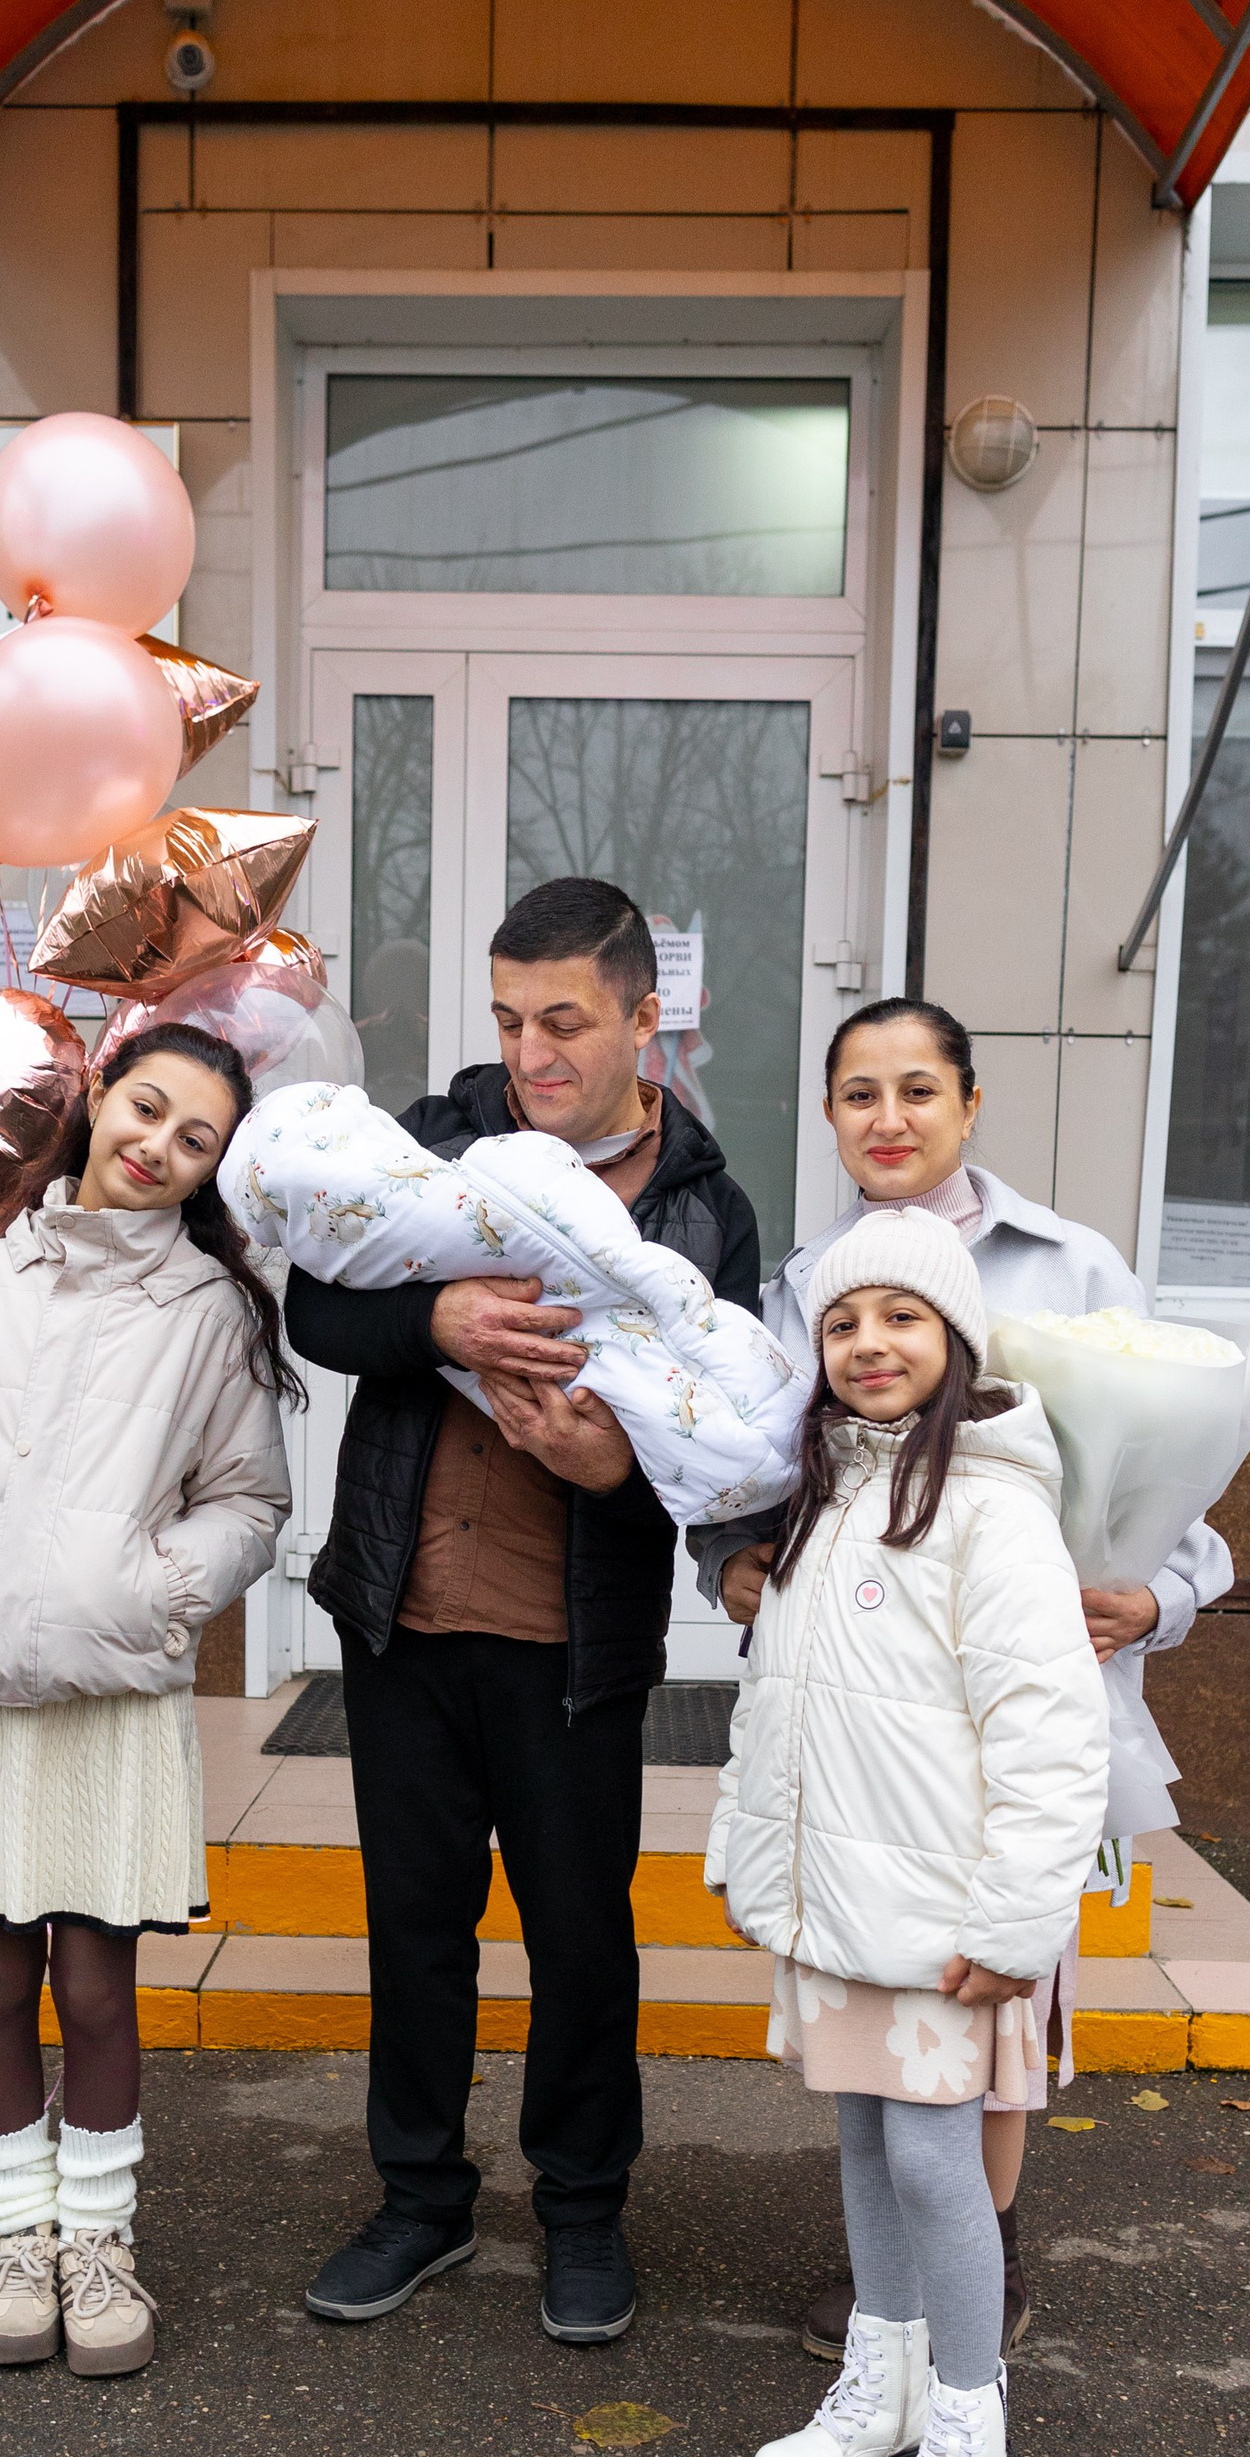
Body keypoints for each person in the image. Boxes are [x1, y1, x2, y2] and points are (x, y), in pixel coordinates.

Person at [696, 997, 1231, 2355]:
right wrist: (731, 1565)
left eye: (919, 1090)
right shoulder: (801, 1287)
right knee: (892, 2006)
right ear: (830, 1115)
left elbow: (1178, 1499)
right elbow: (754, 1474)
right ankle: (905, 2282)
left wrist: (1150, 1600)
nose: (889, 1119)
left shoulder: (1072, 1266)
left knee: (1001, 2000)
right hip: (870, 1732)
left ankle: (980, 2264)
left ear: (971, 1102)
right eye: (858, 1094)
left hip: (1024, 1703)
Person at [288, 876, 760, 2343]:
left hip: (574, 1644)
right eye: (507, 1020)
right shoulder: (436, 1142)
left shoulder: (704, 1206)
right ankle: (418, 2202)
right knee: (413, 1929)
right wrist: (431, 1316)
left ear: (644, 1017)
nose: (530, 1054)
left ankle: (583, 2213)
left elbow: (723, 1441)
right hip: (402, 1611)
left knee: (581, 1939)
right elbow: (313, 1306)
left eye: (564, 1022)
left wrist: (612, 1468)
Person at [0, 1026, 294, 2377]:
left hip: (110, 1690)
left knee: (95, 1990)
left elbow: (248, 1501)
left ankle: (99, 2245)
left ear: (213, 1169)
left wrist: (152, 1593)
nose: (158, 1147)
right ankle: (18, 2237)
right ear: (98, 1096)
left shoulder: (209, 1314)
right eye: (147, 1109)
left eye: (196, 1140)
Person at [709, 1210, 1109, 2457]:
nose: (868, 1344)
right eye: (840, 1323)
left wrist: (1015, 1922)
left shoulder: (993, 1509)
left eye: (902, 1318)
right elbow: (777, 1707)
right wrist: (750, 1854)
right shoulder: (825, 1495)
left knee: (939, 2166)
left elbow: (1051, 1731)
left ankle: (967, 2444)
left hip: (947, 1923)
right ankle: (878, 2390)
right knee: (869, 2146)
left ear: (956, 1342)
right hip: (840, 1907)